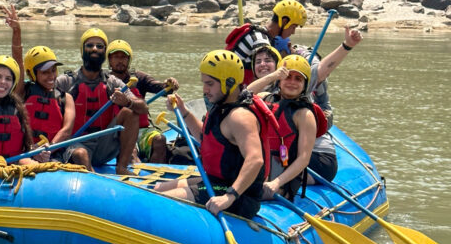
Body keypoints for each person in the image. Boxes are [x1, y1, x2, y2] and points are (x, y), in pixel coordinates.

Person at [155, 50, 277, 220]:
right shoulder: (222, 107)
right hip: (217, 182)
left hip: (238, 195)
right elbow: (206, 139)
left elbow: (255, 160)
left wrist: (230, 196)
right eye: (204, 83)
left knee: (159, 201)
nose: (205, 90)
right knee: (157, 189)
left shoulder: (240, 117)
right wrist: (183, 111)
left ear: (230, 82)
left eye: (210, 84)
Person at [54, 28, 142, 175]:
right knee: (81, 154)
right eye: (89, 45)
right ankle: (94, 179)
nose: (94, 49)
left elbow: (143, 108)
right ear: (82, 50)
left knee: (131, 112)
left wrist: (127, 102)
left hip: (103, 145)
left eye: (99, 46)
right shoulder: (66, 81)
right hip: (76, 144)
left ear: (104, 52)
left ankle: (121, 167)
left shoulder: (112, 81)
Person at [260, 53, 331, 201]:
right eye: (287, 77)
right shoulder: (265, 98)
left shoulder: (305, 115)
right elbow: (244, 95)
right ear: (279, 81)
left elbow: (304, 159)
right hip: (261, 171)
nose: (292, 82)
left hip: (282, 181)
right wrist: (272, 76)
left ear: (305, 85)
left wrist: (276, 183)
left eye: (298, 79)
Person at [3, 4, 76, 145]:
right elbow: (18, 63)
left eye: (53, 70)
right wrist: (17, 31)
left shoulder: (66, 98)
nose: (51, 76)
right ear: (32, 74)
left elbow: (66, 130)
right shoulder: (23, 91)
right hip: (25, 152)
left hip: (52, 151)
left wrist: (47, 149)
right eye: (44, 72)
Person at [106, 38, 179, 164]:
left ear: (129, 60)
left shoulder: (139, 77)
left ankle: (155, 175)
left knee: (159, 139)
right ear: (110, 60)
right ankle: (135, 176)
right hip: (118, 131)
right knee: (131, 150)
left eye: (123, 57)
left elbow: (161, 88)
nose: (119, 60)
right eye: (115, 57)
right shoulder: (105, 80)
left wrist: (169, 85)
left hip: (142, 130)